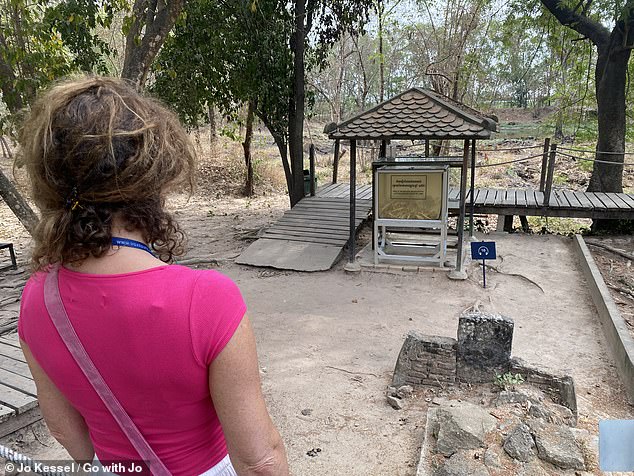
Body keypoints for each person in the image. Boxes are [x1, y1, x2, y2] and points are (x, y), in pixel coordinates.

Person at [16, 76, 289, 476]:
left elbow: (67, 433)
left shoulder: (37, 298)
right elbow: (259, 460)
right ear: (153, 179)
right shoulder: (208, 298)